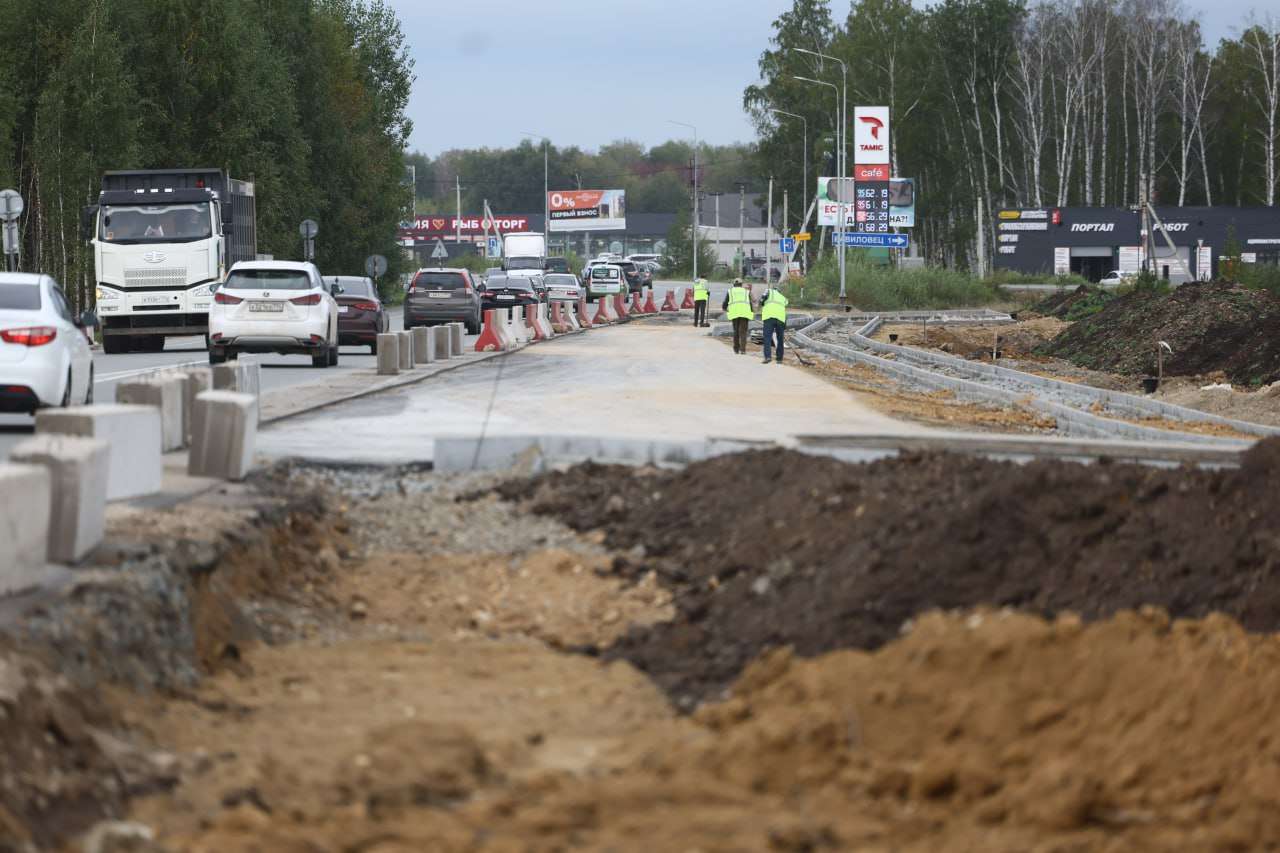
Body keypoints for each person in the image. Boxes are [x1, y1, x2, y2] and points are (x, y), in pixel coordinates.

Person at [722, 278, 753, 354]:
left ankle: (736, 349)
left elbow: (726, 302)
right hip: (745, 313)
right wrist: (751, 312)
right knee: (743, 332)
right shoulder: (746, 291)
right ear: (741, 284)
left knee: (736, 331)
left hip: (734, 313)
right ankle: (743, 350)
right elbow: (750, 303)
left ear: (734, 284)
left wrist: (724, 308)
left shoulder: (730, 291)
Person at [760, 283, 788, 364]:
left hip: (769, 317)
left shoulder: (768, 291)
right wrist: (784, 325)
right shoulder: (784, 298)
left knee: (767, 338)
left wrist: (762, 304)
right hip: (781, 319)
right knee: (780, 339)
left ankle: (768, 357)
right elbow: (784, 310)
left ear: (773, 289)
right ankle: (779, 359)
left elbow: (761, 300)